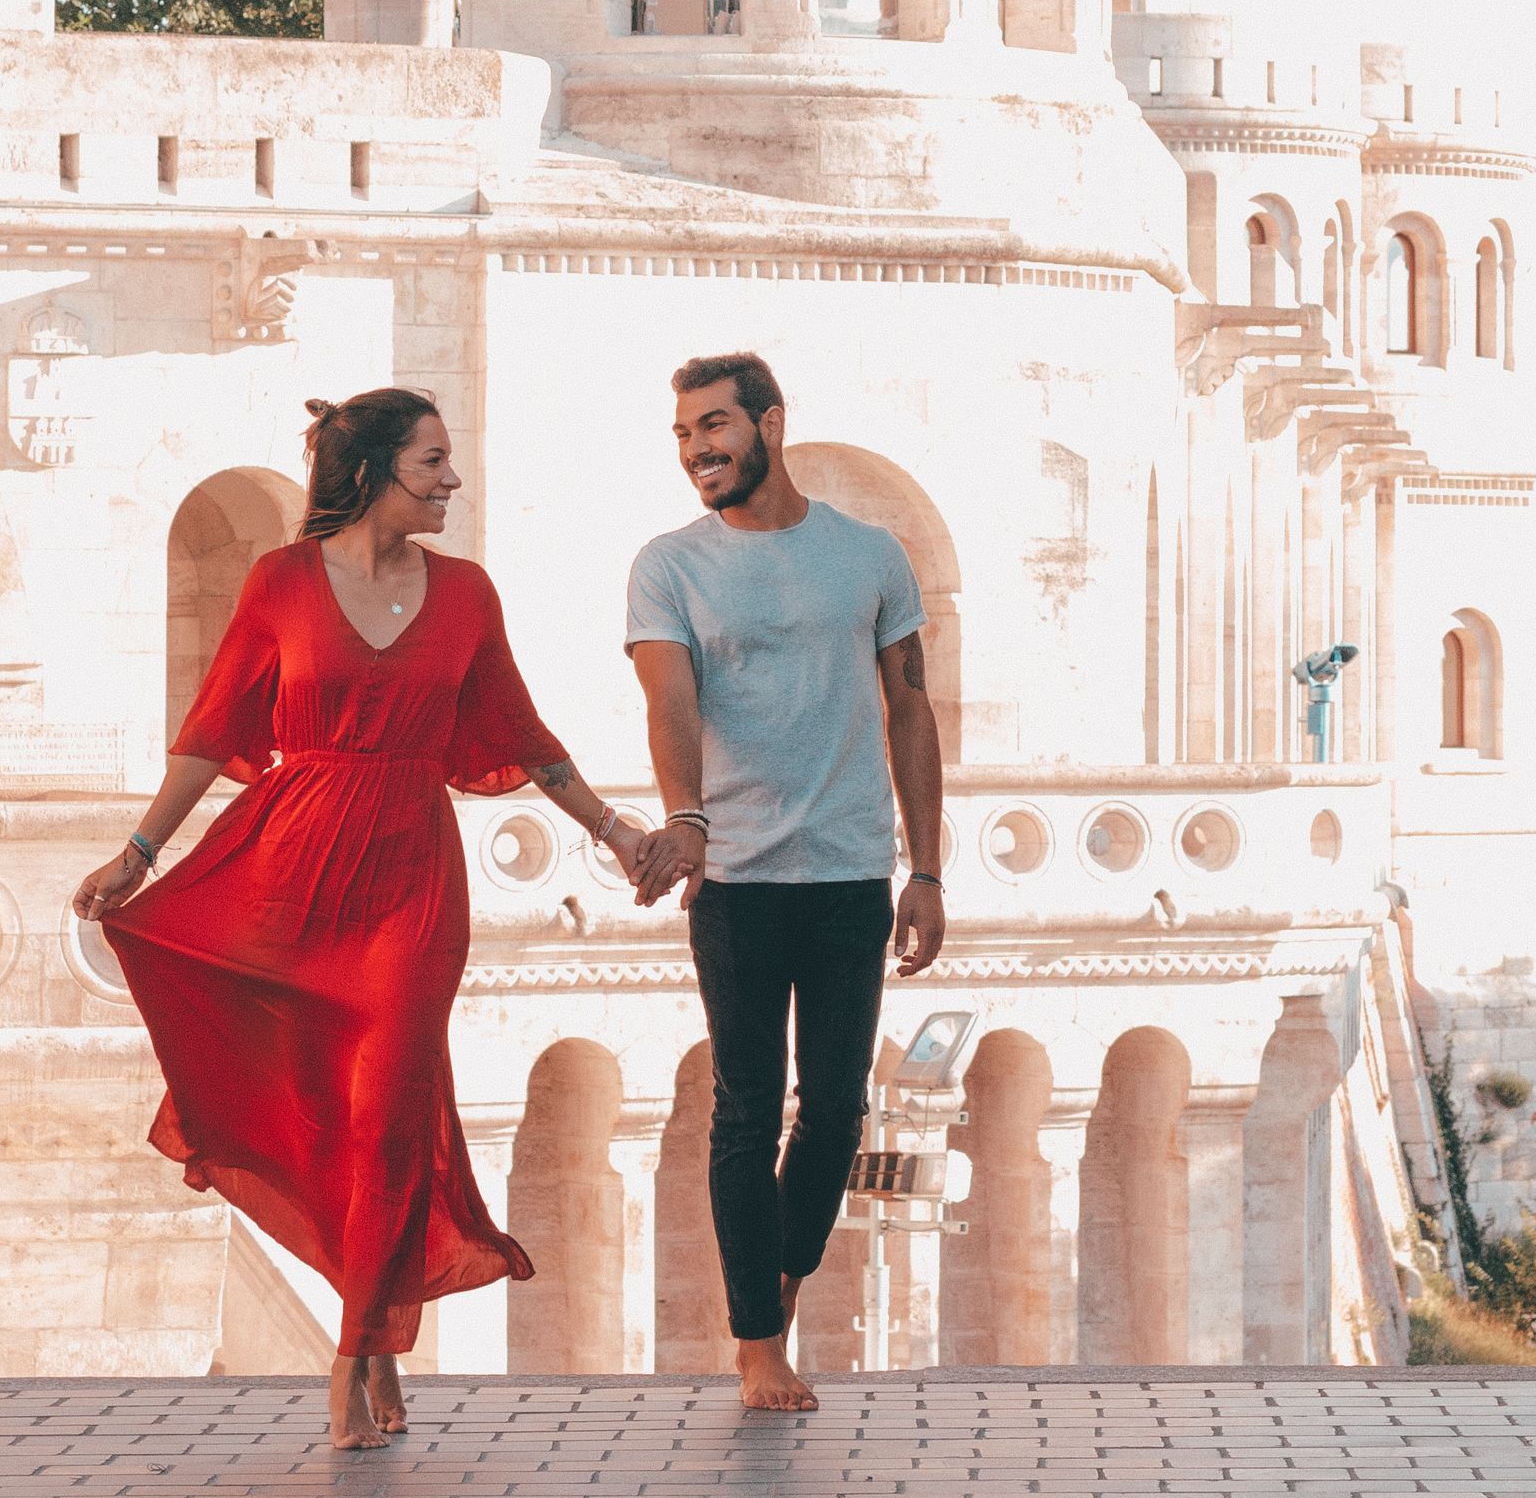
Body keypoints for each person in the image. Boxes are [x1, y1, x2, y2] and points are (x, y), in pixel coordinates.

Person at [73, 389, 641, 1451]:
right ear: (375, 469)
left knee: (386, 1108)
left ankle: (349, 1355)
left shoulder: (467, 594)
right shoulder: (279, 581)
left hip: (409, 882)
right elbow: (212, 728)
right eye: (432, 461)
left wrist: (614, 832)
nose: (452, 480)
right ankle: (376, 1326)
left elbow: (523, 733)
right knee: (322, 1108)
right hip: (287, 868)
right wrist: (139, 853)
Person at [623, 352, 945, 1412]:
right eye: (683, 434)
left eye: (714, 426)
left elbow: (910, 710)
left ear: (769, 423)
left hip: (851, 872)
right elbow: (669, 701)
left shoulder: (870, 555)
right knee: (744, 1111)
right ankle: (758, 1342)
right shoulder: (669, 565)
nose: (696, 450)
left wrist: (928, 867)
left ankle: (779, 1286)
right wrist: (686, 816)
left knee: (839, 1109)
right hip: (737, 878)